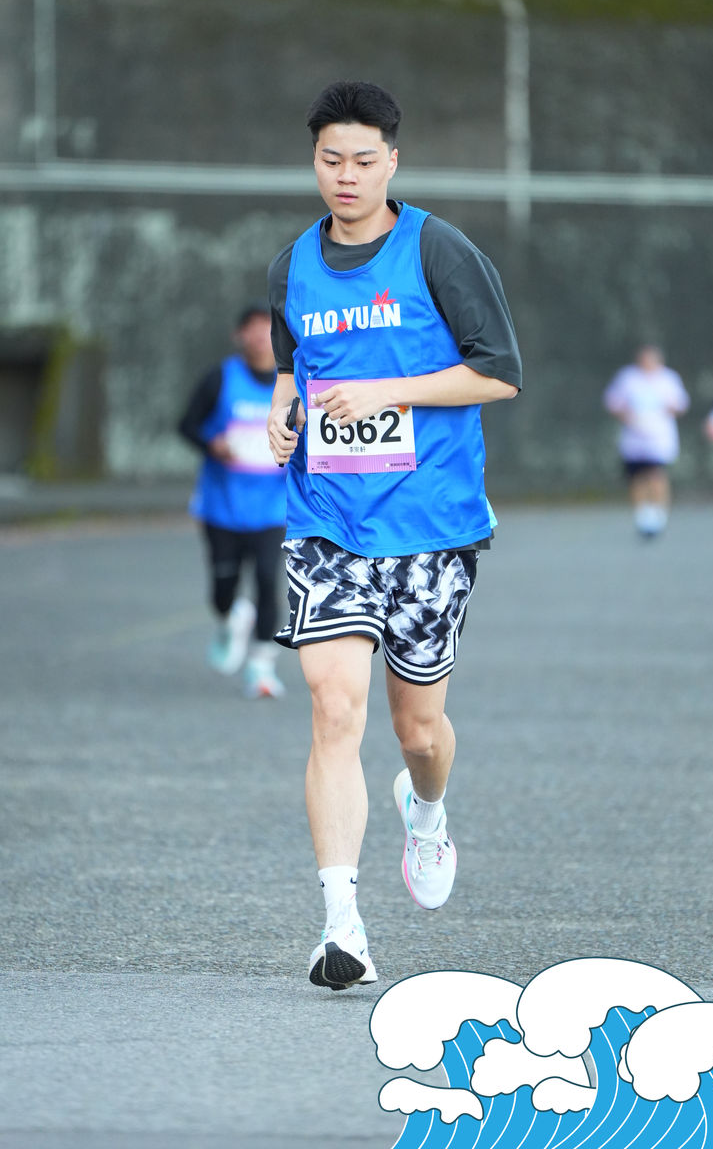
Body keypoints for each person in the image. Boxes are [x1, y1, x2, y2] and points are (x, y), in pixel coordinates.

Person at [266, 80, 522, 990]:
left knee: (418, 730)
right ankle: (340, 926)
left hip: (429, 526)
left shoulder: (437, 250)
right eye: (331, 159)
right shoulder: (292, 265)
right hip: (327, 523)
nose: (346, 176)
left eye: (363, 161)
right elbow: (294, 369)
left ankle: (427, 809)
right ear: (314, 162)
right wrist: (282, 412)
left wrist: (390, 392)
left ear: (391, 163)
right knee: (333, 707)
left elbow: (499, 374)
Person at [178, 306, 287, 697]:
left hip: (273, 507)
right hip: (222, 507)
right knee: (223, 589)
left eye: (267, 329)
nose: (259, 337)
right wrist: (213, 444)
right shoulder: (220, 378)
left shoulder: (292, 381)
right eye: (251, 329)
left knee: (268, 581)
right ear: (238, 336)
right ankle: (231, 617)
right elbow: (186, 425)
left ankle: (261, 668)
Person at [603, 345, 690, 538]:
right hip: (634, 440)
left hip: (659, 439)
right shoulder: (628, 378)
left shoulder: (669, 378)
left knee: (657, 475)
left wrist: (670, 408)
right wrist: (625, 414)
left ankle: (659, 514)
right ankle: (642, 516)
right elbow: (612, 402)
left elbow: (681, 404)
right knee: (637, 478)